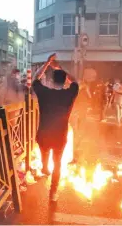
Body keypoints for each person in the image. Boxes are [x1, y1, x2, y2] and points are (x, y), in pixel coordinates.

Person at [32, 53, 79, 201]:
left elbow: (35, 78)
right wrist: (60, 67)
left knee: (45, 152)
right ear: (65, 81)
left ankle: (45, 166)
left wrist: (47, 63)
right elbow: (76, 81)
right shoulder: (69, 94)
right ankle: (53, 192)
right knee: (58, 163)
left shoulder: (44, 93)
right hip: (60, 135)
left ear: (51, 80)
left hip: (44, 134)